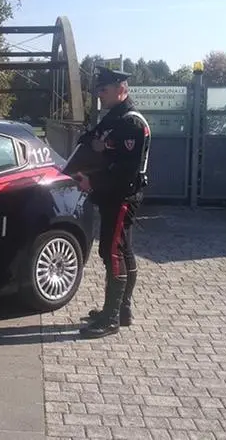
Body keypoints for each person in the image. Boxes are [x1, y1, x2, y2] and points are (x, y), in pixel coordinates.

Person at [73, 66, 151, 339]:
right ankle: (121, 309)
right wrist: (94, 145)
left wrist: (91, 182)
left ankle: (111, 318)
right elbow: (91, 139)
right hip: (112, 195)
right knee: (124, 251)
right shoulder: (114, 118)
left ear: (121, 89)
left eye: (103, 89)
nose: (99, 94)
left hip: (121, 196)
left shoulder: (131, 123)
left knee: (112, 252)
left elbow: (124, 171)